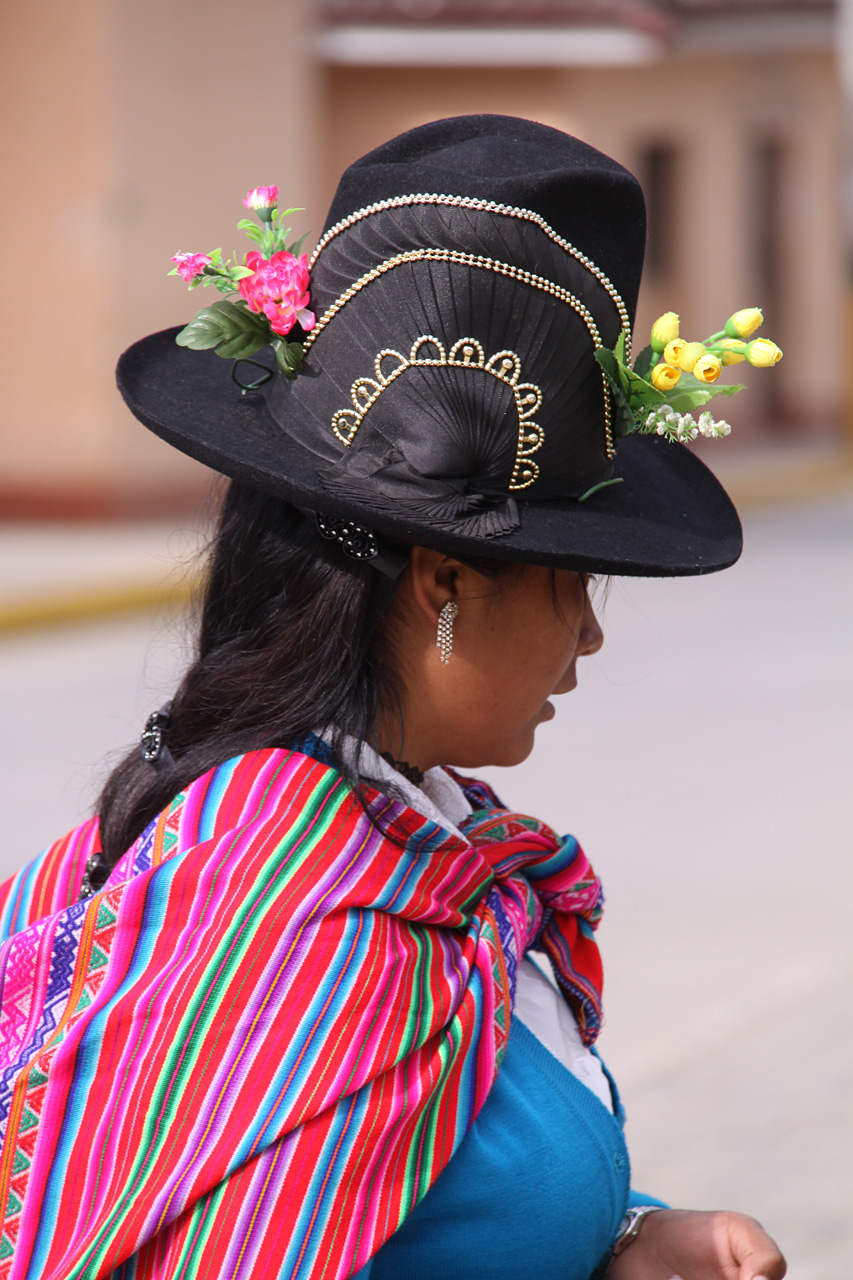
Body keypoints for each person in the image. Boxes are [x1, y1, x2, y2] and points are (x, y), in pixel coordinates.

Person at [0, 116, 786, 1280]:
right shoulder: (288, 912)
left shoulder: (416, 850)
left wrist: (625, 1240)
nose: (587, 633)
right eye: (571, 580)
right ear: (446, 581)